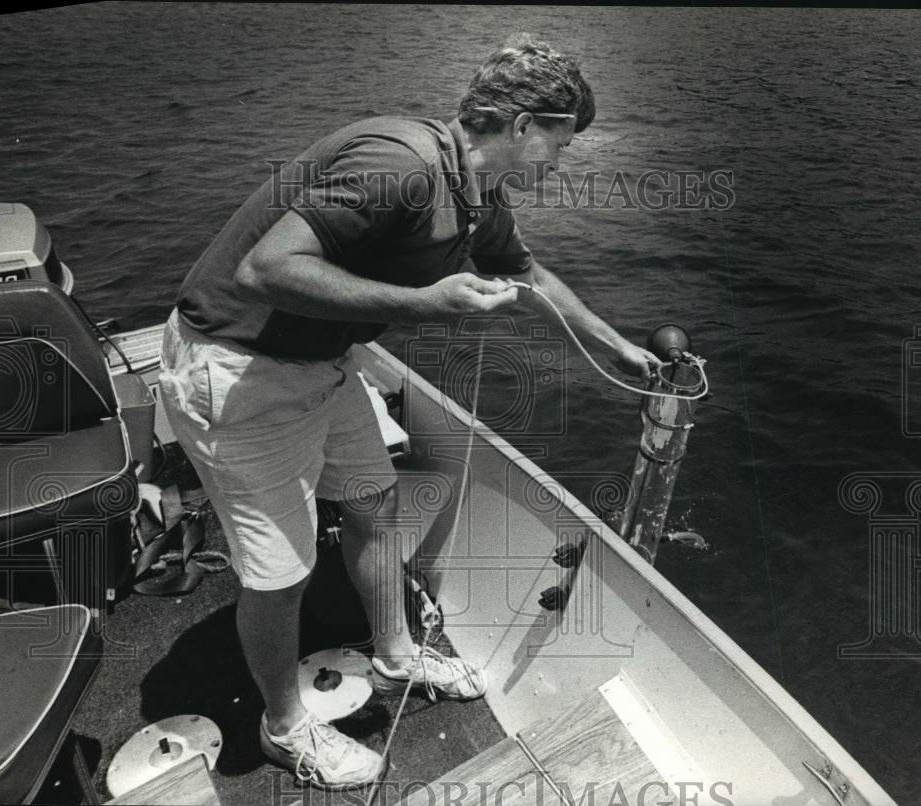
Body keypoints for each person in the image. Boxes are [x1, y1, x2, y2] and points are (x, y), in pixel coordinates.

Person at [158, 34, 658, 790]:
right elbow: (268, 269)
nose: (563, 160)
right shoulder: (400, 166)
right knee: (280, 573)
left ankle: (394, 651)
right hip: (240, 371)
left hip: (324, 365)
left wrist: (614, 346)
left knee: (371, 505)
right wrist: (422, 303)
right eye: (562, 141)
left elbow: (527, 272)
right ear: (524, 127)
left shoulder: (475, 194)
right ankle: (284, 728)